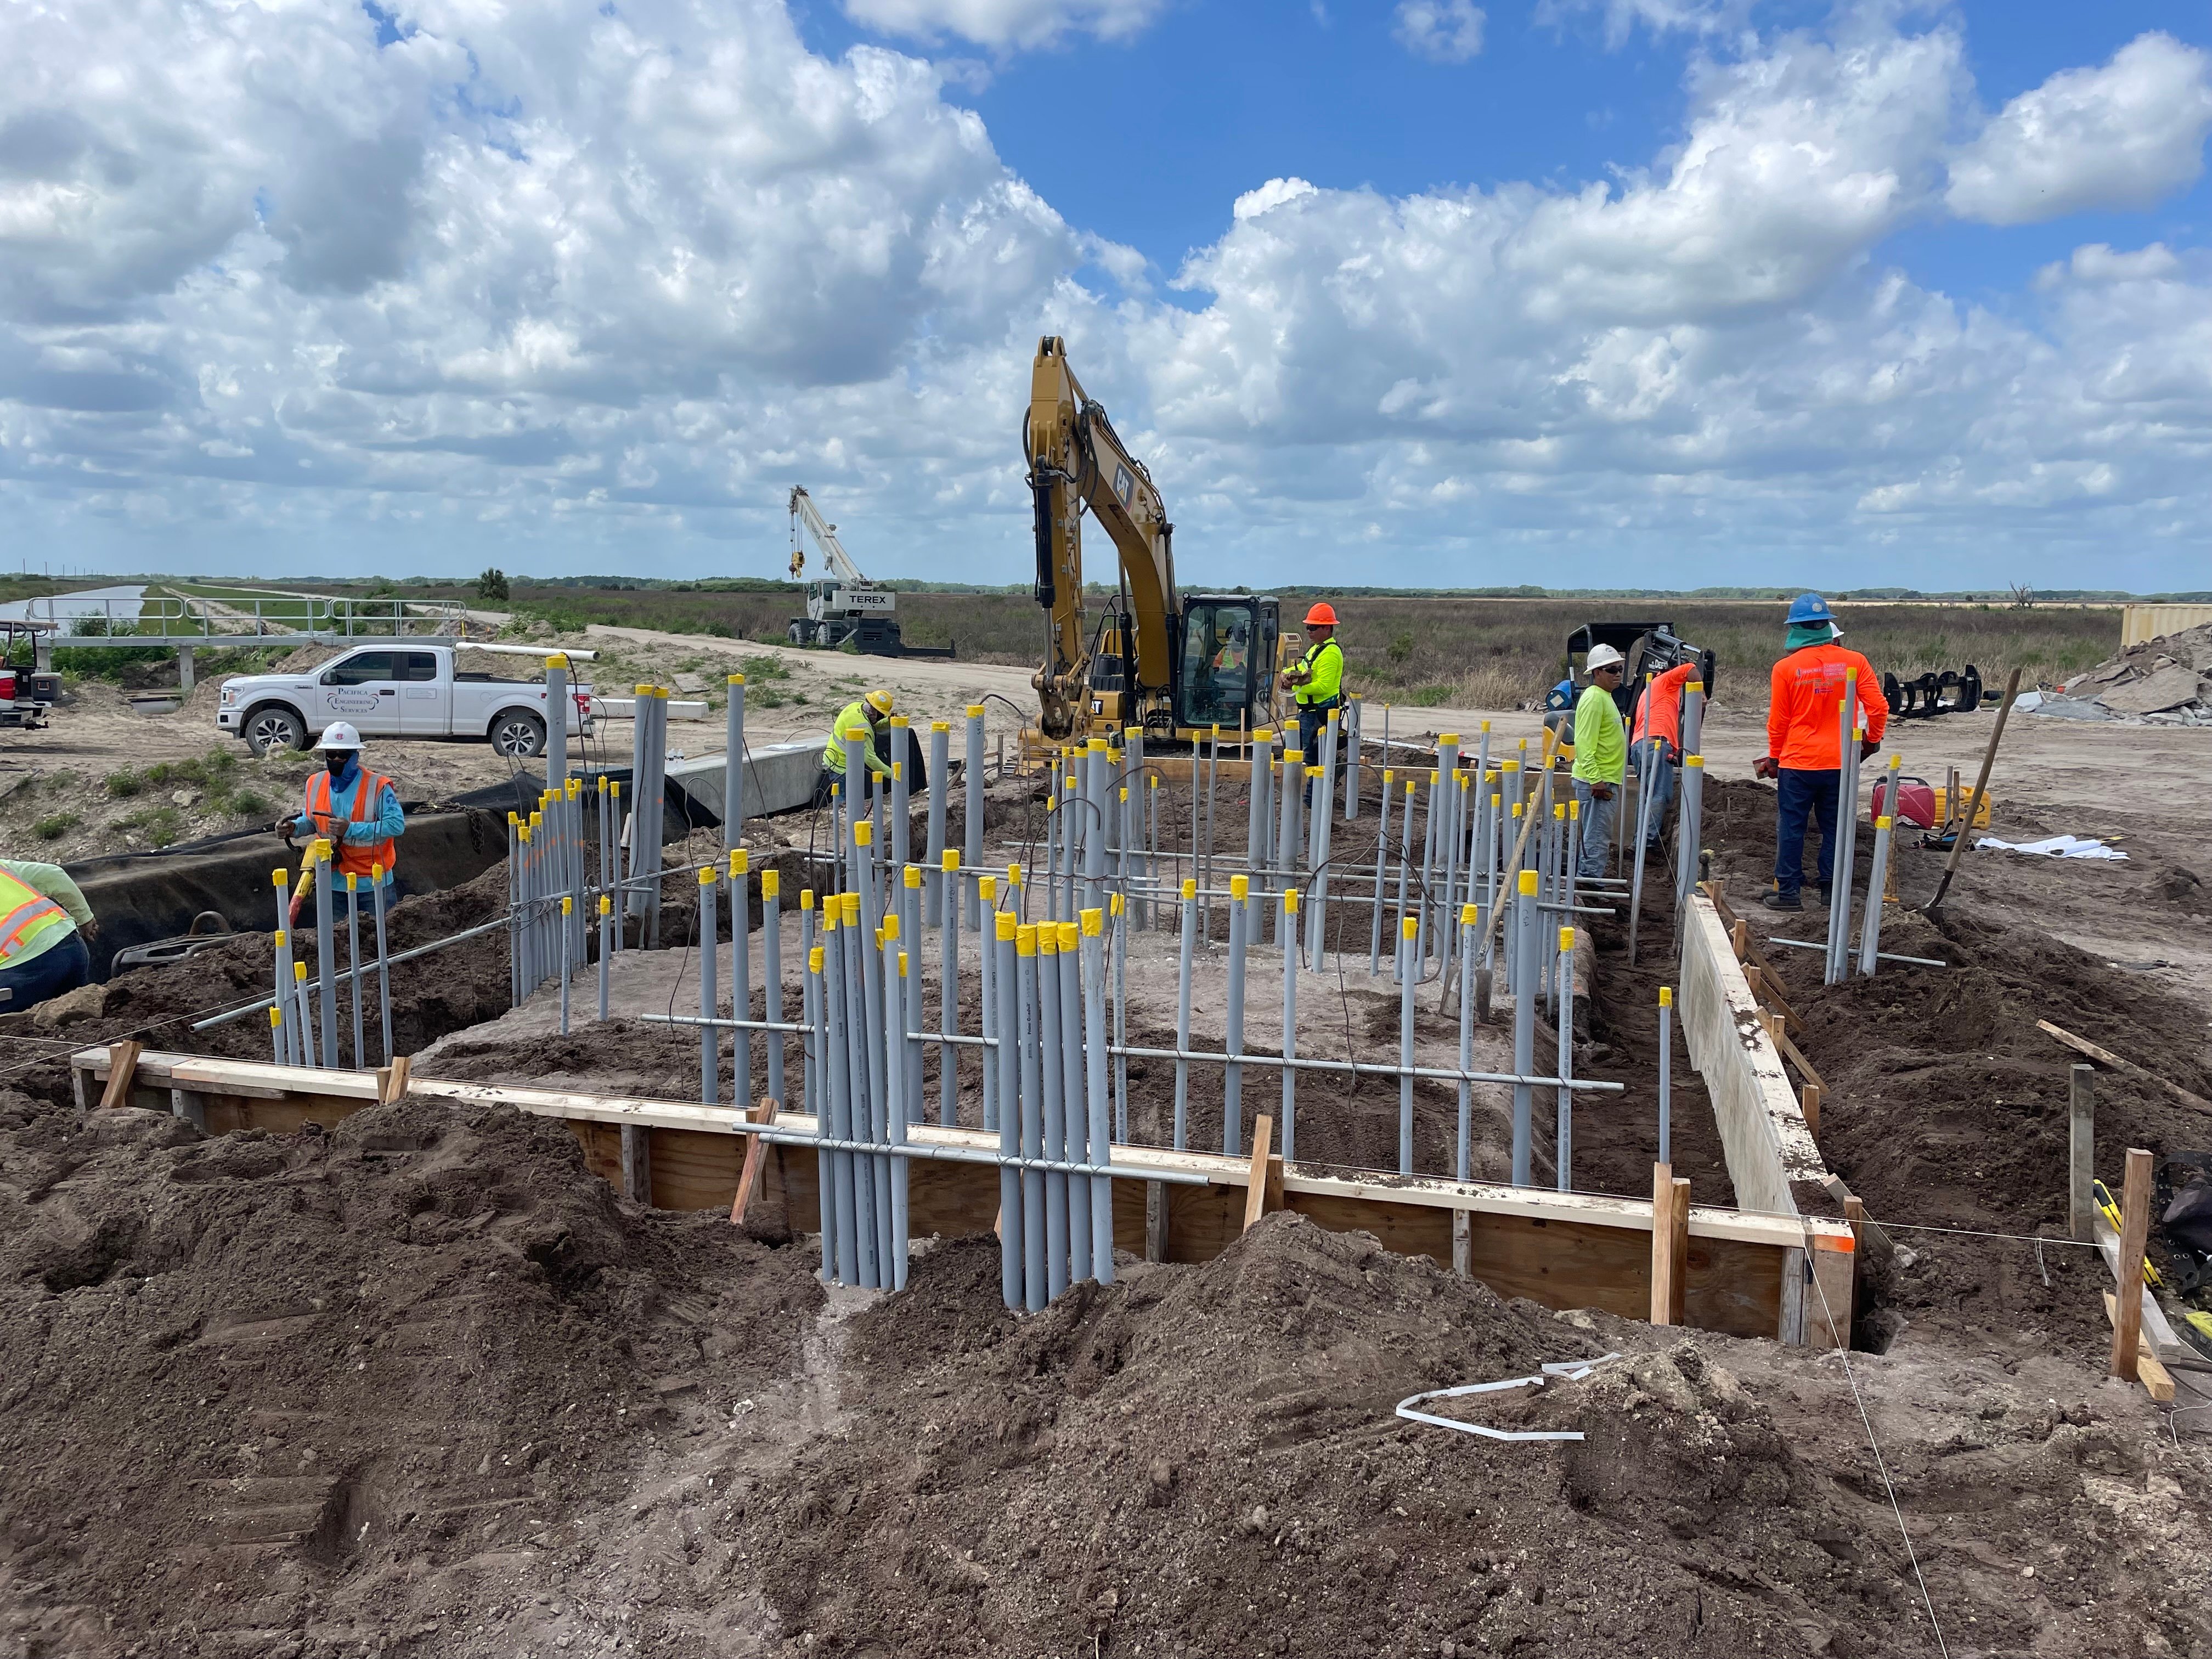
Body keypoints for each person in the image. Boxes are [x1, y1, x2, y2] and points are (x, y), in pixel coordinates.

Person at [1755, 593, 1888, 911]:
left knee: (1792, 827)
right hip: (1841, 762)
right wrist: (1871, 740)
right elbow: (1879, 708)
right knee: (1835, 828)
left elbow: (1779, 721)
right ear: (1827, 625)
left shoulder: (1785, 668)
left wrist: (1775, 756)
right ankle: (1831, 893)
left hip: (1798, 763)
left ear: (1795, 629)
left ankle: (1789, 894)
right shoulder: (1855, 661)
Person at [291, 722, 405, 888]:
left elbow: (396, 826)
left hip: (370, 880)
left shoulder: (377, 786)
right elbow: (312, 820)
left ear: (355, 756)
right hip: (332, 879)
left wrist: (350, 830)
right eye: (331, 755)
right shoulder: (315, 782)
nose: (337, 760)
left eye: (343, 755)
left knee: (378, 916)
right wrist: (294, 828)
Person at [0, 857, 96, 1011]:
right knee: (73, 1021)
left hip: (24, 966)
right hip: (72, 946)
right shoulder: (3, 867)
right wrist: (85, 918)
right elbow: (53, 873)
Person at [1629, 657, 1702, 853]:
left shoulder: (1651, 688)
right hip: (1655, 744)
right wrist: (1701, 695)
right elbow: (1690, 669)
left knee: (1647, 795)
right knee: (1660, 795)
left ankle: (1640, 841)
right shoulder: (1667, 682)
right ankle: (1648, 843)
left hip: (1642, 744)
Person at [1570, 644, 1627, 879]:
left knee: (1597, 835)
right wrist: (1596, 780)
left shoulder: (1604, 697)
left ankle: (1590, 879)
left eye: (1619, 669)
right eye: (1611, 670)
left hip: (1604, 779)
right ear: (1597, 673)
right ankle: (1590, 884)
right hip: (1597, 782)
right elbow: (1584, 744)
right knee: (1596, 837)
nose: (1617, 674)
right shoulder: (1594, 699)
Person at [1279, 602, 1345, 777]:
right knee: (1291, 752)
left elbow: (1323, 686)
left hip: (1319, 715)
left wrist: (1294, 685)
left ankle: (1312, 800)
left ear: (1327, 628)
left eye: (1313, 627)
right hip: (1307, 713)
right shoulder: (1317, 649)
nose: (1309, 630)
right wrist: (1286, 674)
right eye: (1308, 627)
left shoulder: (1331, 653)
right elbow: (1303, 668)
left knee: (1312, 761)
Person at [815, 689, 895, 808]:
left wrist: (887, 723)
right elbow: (870, 758)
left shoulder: (856, 706)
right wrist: (892, 773)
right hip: (842, 768)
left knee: (846, 805)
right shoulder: (863, 728)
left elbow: (872, 726)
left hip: (834, 760)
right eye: (882, 715)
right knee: (845, 807)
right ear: (874, 712)